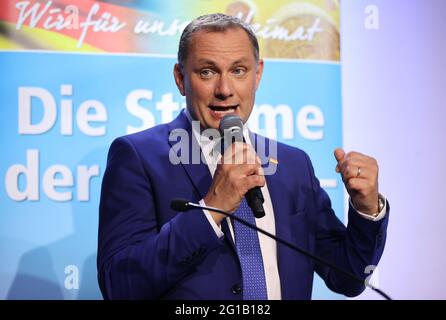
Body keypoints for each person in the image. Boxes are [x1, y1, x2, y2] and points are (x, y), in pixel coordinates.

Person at [97, 13, 389, 300]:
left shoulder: (292, 165)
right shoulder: (139, 156)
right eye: (207, 72)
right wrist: (211, 208)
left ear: (257, 74)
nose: (225, 90)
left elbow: (348, 278)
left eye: (238, 71)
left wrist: (366, 210)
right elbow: (120, 284)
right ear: (180, 78)